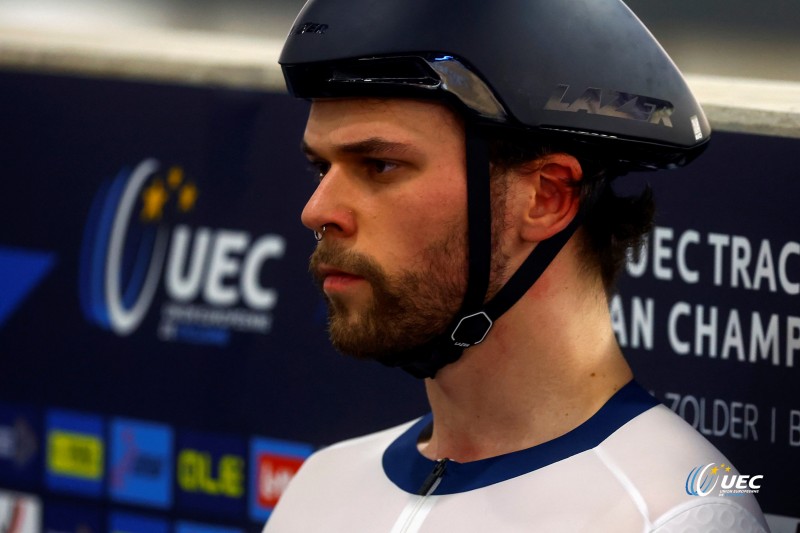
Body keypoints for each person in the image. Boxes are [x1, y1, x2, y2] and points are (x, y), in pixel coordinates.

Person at [265, 0, 770, 531]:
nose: (317, 210)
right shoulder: (319, 488)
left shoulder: (670, 515)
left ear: (546, 197)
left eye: (380, 165)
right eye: (321, 167)